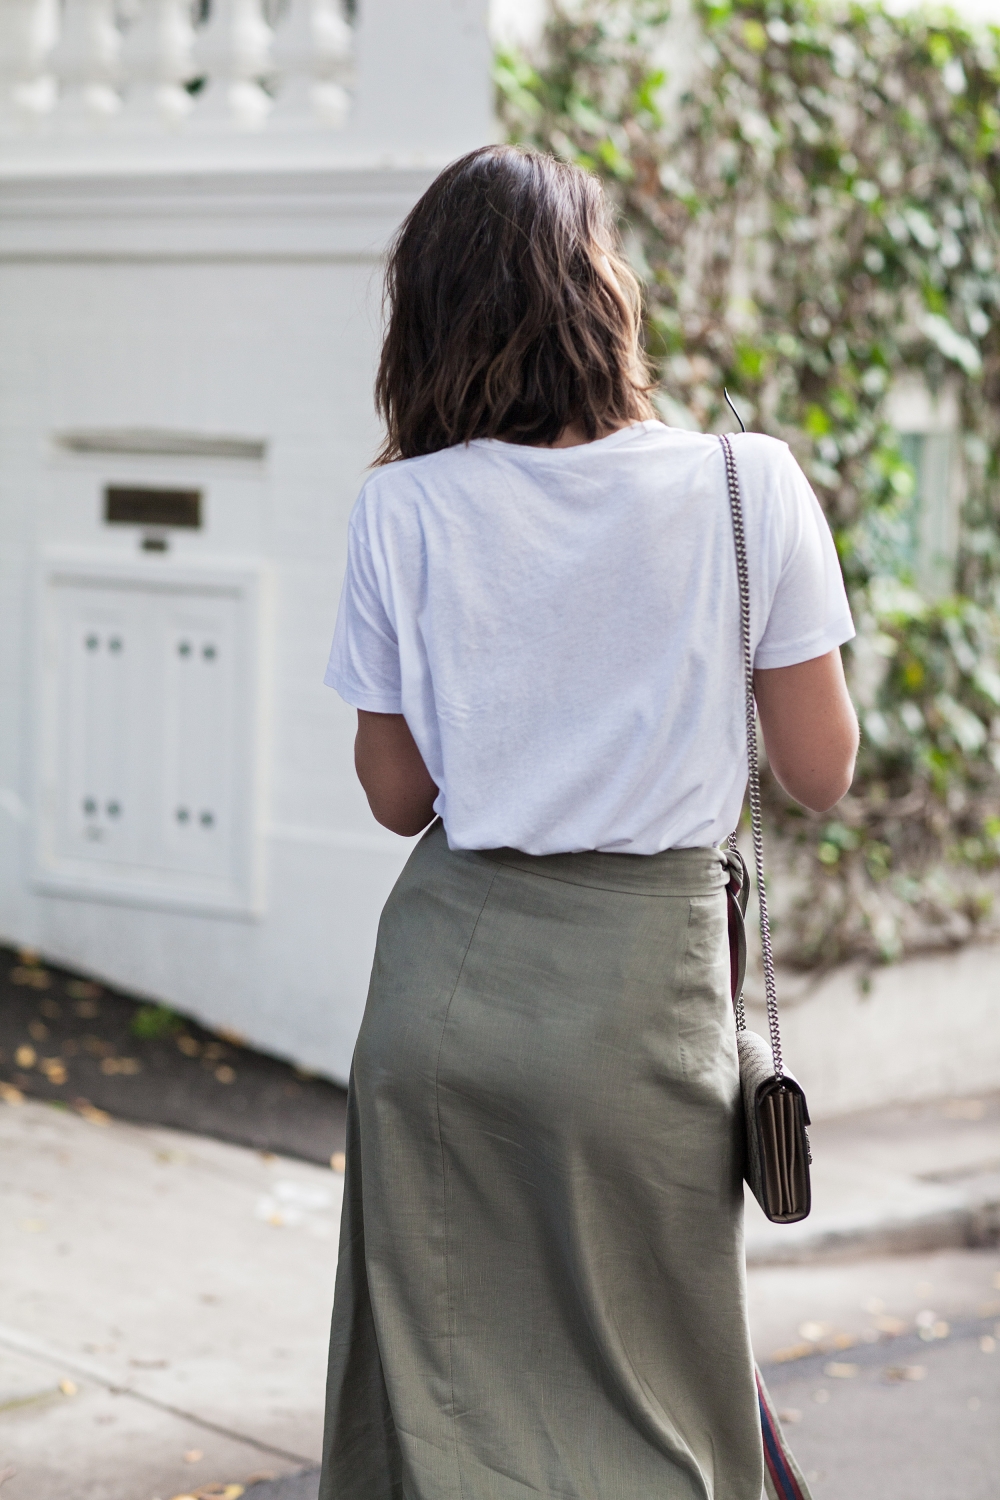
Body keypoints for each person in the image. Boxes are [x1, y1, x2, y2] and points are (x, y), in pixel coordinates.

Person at [319, 143, 858, 1500]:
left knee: (452, 1417)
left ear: (427, 321)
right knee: (657, 1405)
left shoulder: (403, 507)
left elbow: (399, 799)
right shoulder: (749, 485)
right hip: (643, 1023)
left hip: (445, 1008)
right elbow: (820, 770)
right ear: (602, 293)